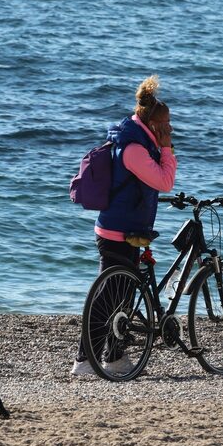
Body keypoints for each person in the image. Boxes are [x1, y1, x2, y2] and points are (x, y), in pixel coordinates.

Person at [71, 75, 177, 376]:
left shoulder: (139, 140)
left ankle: (114, 358)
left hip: (129, 231)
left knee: (123, 300)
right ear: (153, 124)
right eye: (166, 124)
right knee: (107, 300)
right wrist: (167, 150)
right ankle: (83, 361)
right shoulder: (134, 149)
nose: (170, 129)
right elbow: (164, 181)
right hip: (116, 233)